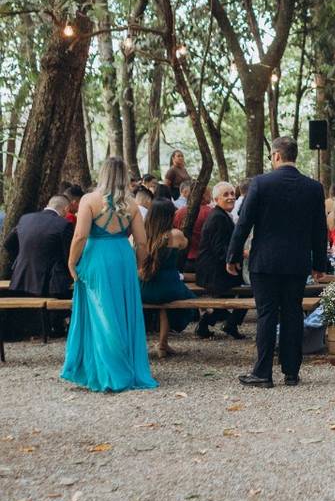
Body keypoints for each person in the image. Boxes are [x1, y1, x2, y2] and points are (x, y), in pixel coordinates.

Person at [227, 137, 329, 388]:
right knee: (293, 313)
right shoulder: (313, 188)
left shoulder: (261, 184)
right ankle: (291, 372)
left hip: (266, 262)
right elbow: (320, 229)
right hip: (297, 262)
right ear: (294, 156)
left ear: (275, 156)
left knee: (267, 314)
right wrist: (319, 264)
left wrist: (233, 255)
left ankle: (263, 372)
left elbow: (243, 224)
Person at [61, 157, 157, 392]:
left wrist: (72, 262)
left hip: (97, 257)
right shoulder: (132, 205)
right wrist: (139, 264)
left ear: (103, 174)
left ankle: (108, 371)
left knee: (100, 312)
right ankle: (126, 366)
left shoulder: (89, 200)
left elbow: (80, 236)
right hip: (122, 258)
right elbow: (142, 242)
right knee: (123, 312)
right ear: (125, 176)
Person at [139, 199, 197, 358]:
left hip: (144, 287)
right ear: (170, 216)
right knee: (169, 301)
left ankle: (146, 345)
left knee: (162, 301)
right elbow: (185, 244)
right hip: (168, 287)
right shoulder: (176, 235)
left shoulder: (140, 235)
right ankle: (163, 345)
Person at [3, 195, 75, 313]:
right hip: (51, 284)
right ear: (66, 209)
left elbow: (8, 244)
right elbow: (68, 255)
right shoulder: (64, 224)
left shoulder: (25, 219)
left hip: (21, 278)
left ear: (48, 205)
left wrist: (21, 258)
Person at [196, 181, 246, 339]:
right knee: (249, 289)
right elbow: (220, 250)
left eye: (232, 193)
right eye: (226, 195)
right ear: (216, 199)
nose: (231, 197)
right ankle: (230, 323)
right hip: (214, 273)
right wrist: (242, 254)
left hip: (216, 270)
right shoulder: (218, 217)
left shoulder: (222, 215)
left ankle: (213, 324)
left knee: (243, 290)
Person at [173, 185, 213, 273]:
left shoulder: (179, 213)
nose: (211, 196)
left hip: (183, 261)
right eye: (209, 193)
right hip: (204, 262)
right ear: (204, 195)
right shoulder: (211, 213)